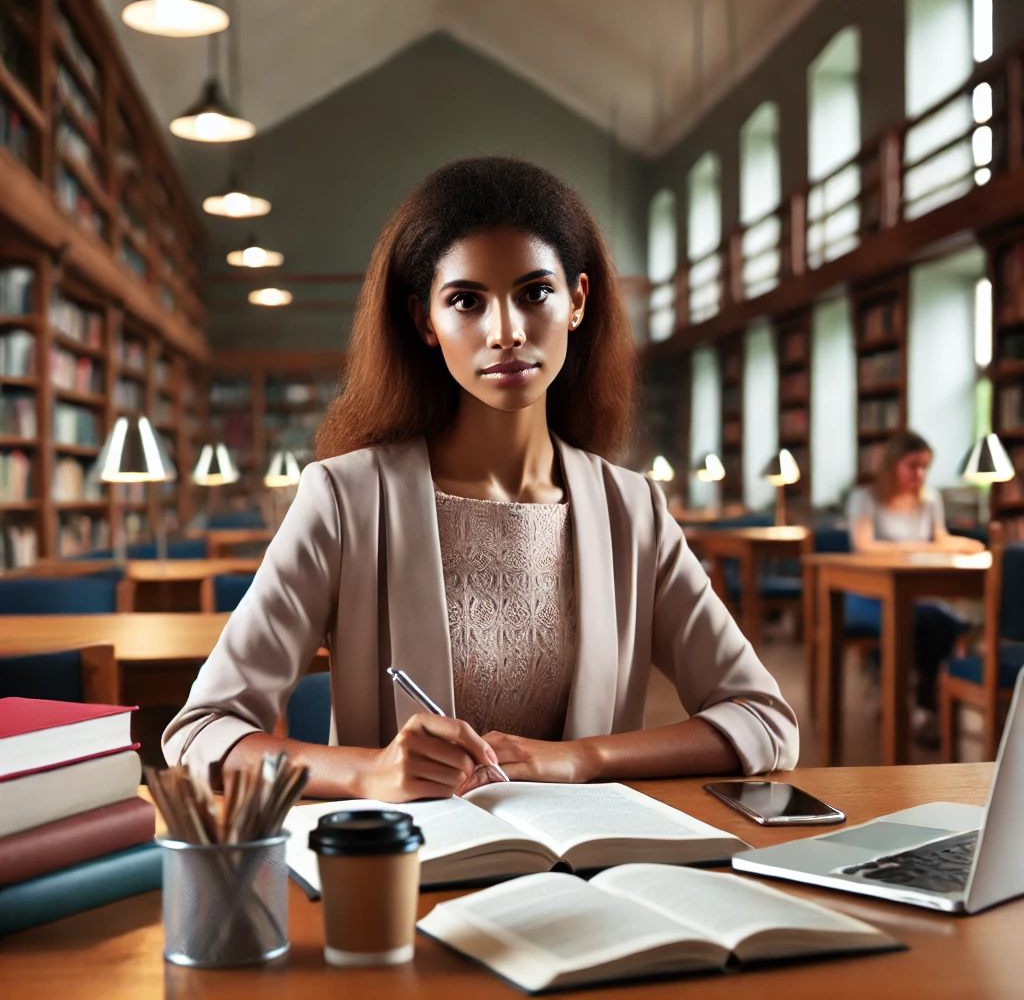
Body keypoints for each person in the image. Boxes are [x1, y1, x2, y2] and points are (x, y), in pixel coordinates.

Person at [163, 157, 798, 801]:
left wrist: (582, 758)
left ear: (578, 301)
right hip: (407, 883)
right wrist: (365, 772)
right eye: (466, 301)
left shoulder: (632, 509)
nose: (506, 333)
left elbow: (763, 719)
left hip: (585, 880)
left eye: (535, 292)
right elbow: (199, 734)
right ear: (425, 322)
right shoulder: (343, 500)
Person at [847, 429, 984, 730]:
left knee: (943, 623)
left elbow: (939, 538)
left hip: (915, 594)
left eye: (925, 467)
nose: (920, 474)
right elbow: (864, 545)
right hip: (870, 592)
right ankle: (890, 688)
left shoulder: (929, 498)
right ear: (892, 465)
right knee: (908, 622)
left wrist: (963, 544)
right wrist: (918, 546)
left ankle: (923, 700)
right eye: (913, 466)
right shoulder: (865, 498)